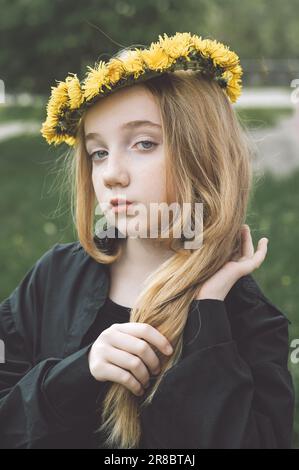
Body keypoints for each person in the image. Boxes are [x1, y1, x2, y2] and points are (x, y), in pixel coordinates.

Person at [0, 32, 295, 449]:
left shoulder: (246, 317)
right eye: (98, 152)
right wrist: (77, 372)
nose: (110, 174)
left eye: (143, 143)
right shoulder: (54, 277)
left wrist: (204, 311)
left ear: (202, 153)